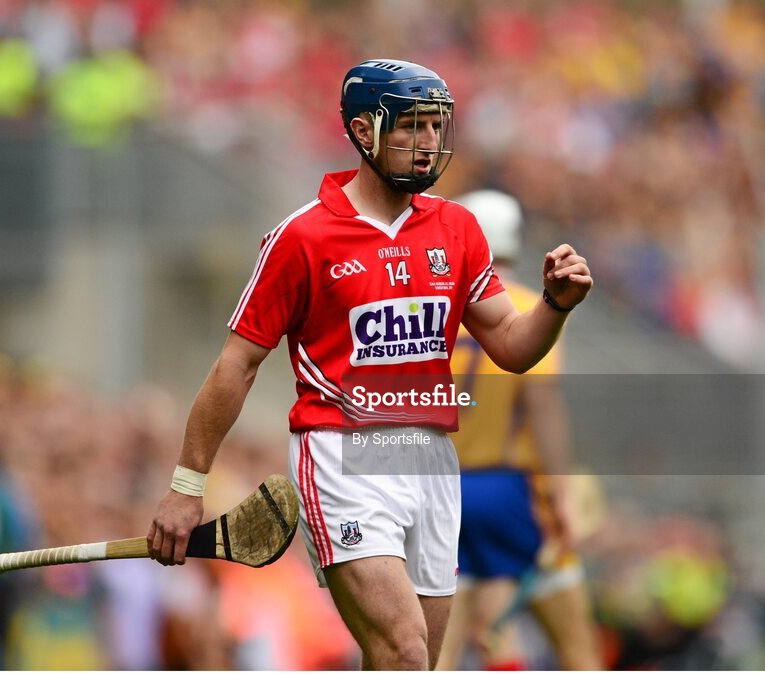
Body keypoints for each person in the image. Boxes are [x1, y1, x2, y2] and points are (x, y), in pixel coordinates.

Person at [146, 59, 593, 670]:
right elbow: (236, 366)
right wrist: (186, 486)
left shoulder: (458, 229)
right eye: (411, 126)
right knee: (405, 649)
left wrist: (554, 306)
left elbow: (512, 346)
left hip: (434, 462)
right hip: (341, 455)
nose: (430, 143)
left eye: (436, 126)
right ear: (363, 132)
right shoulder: (302, 237)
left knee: (410, 663)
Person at [437, 190, 602, 670]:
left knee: (437, 653)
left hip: (441, 490)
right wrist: (562, 492)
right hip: (513, 492)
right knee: (577, 649)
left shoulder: (437, 310)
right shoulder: (529, 306)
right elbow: (542, 401)